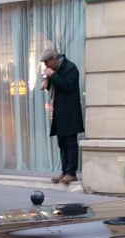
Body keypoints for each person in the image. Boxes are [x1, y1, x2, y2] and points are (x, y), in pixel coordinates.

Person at [40, 47, 83, 185]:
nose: (46, 66)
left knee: (70, 143)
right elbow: (54, 87)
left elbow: (67, 86)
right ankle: (64, 171)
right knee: (62, 144)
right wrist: (47, 79)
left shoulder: (70, 68)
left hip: (70, 113)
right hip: (59, 112)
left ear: (54, 59)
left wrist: (53, 75)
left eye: (47, 63)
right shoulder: (56, 71)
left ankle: (71, 172)